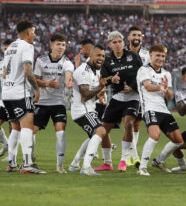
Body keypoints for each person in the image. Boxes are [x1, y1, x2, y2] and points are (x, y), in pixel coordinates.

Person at [94, 31, 142, 172]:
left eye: (119, 41)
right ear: (110, 45)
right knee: (103, 129)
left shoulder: (133, 56)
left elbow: (142, 74)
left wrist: (132, 86)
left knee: (128, 123)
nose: (117, 44)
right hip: (117, 97)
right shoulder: (107, 60)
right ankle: (107, 163)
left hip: (133, 97)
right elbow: (103, 79)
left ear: (123, 42)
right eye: (114, 42)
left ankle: (123, 159)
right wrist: (111, 80)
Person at [2, 21, 46, 174]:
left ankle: (12, 163)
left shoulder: (10, 48)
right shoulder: (27, 46)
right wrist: (36, 88)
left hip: (6, 93)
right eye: (33, 31)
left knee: (15, 127)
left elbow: (4, 73)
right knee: (27, 125)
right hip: (20, 92)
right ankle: (27, 164)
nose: (34, 35)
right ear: (28, 32)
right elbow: (28, 71)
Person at [136, 44, 184, 176]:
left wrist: (166, 90)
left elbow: (169, 96)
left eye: (163, 56)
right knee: (154, 135)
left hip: (164, 110)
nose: (160, 58)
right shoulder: (143, 70)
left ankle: (159, 161)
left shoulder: (166, 74)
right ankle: (142, 167)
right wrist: (160, 87)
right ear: (150, 55)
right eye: (157, 55)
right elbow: (148, 86)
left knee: (178, 140)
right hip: (149, 108)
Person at [32, 33, 74, 173]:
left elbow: (68, 74)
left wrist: (69, 81)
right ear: (51, 45)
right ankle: (30, 158)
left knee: (60, 133)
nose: (61, 47)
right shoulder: (41, 60)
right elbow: (35, 79)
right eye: (58, 44)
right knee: (31, 132)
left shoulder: (67, 62)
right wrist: (47, 83)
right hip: (42, 102)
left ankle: (60, 166)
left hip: (58, 103)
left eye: (63, 45)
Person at [68, 44, 108, 176]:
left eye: (103, 56)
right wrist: (100, 88)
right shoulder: (83, 71)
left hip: (88, 108)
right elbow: (85, 96)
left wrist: (99, 95)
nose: (101, 58)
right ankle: (86, 167)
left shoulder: (95, 71)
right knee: (100, 130)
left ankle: (75, 164)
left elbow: (91, 94)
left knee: (94, 135)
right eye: (98, 55)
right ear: (90, 55)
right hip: (82, 110)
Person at [124, 26, 150, 167]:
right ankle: (133, 156)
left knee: (136, 125)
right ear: (128, 37)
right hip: (124, 92)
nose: (136, 37)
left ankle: (129, 156)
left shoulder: (147, 54)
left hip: (141, 93)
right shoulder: (123, 53)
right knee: (127, 123)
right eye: (134, 35)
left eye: (139, 35)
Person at [0, 39, 13, 158]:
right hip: (2, 100)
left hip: (14, 100)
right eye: (5, 49)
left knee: (13, 128)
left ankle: (11, 155)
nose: (6, 51)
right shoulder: (0, 64)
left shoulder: (17, 64)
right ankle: (6, 144)